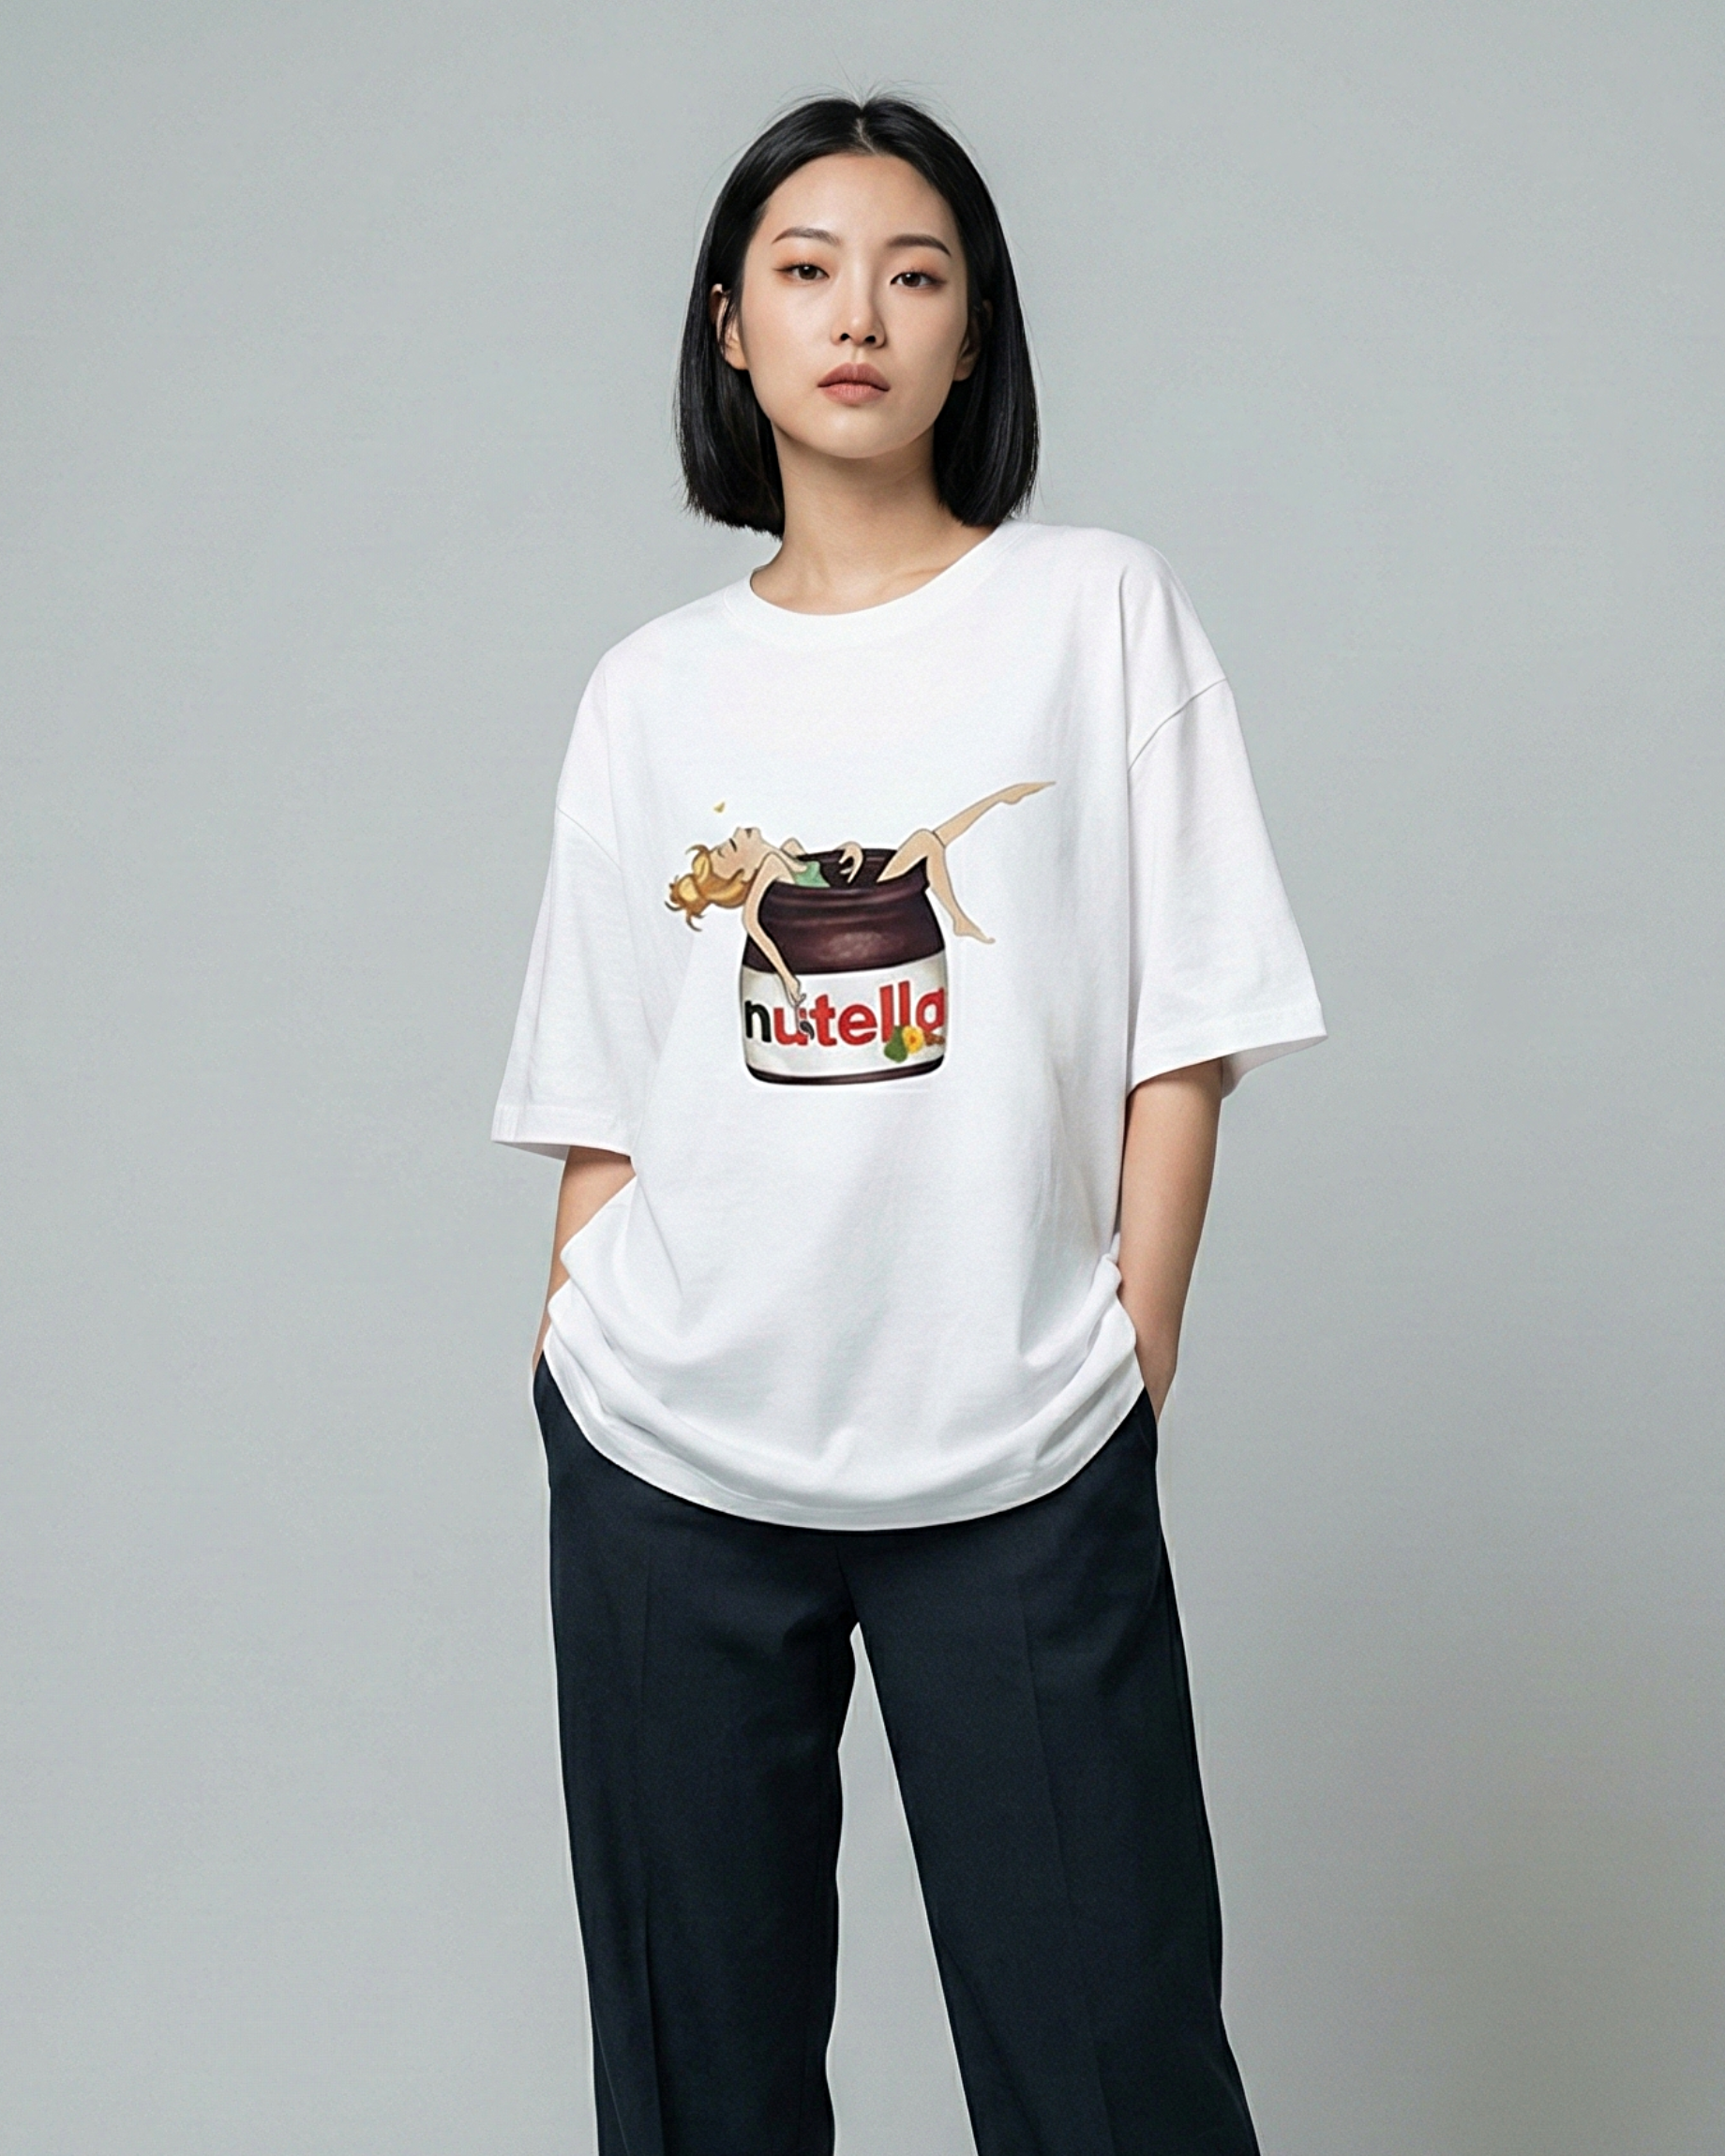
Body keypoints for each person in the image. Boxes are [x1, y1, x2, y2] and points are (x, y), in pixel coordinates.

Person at [493, 92, 1325, 2156]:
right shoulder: (647, 690)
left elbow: (1188, 1022)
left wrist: (1130, 1343)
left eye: (913, 272)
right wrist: (573, 1346)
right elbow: (604, 1086)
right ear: (730, 328)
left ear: (974, 333)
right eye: (805, 269)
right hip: (669, 1455)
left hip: (1019, 1435)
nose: (856, 313)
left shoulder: (1093, 612)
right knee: (698, 2086)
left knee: (1113, 2072)